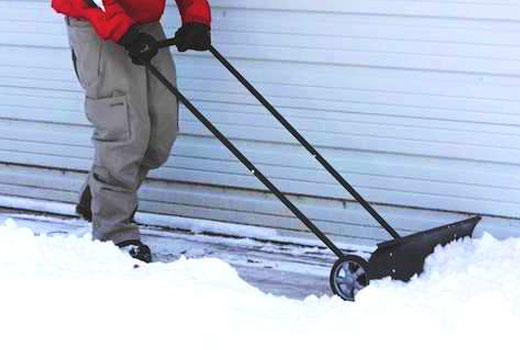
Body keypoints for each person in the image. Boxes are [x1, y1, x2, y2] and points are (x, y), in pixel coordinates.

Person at [51, 0, 211, 262]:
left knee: (161, 130)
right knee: (123, 131)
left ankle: (100, 193)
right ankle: (114, 233)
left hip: (144, 24)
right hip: (98, 21)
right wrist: (121, 29)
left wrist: (196, 17)